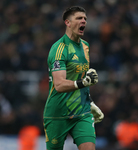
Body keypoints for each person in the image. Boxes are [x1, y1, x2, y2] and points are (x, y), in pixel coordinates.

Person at [43, 6, 104, 150]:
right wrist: (83, 83)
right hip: (57, 114)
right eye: (79, 18)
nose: (83, 21)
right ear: (67, 22)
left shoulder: (85, 46)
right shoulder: (59, 48)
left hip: (81, 113)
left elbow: (81, 78)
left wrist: (89, 102)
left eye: (85, 19)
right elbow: (59, 85)